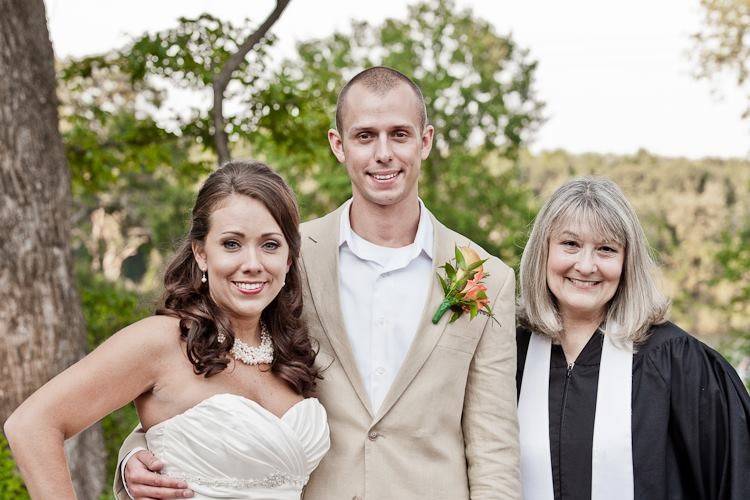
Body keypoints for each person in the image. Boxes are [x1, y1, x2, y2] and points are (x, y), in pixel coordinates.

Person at [117, 67, 521, 499]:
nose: (383, 153)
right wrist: (137, 453)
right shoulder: (282, 259)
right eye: (365, 136)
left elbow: (494, 449)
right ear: (338, 145)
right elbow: (209, 367)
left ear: (425, 141)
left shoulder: (487, 278)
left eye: (399, 134)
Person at [4, 161, 330, 499]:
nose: (252, 263)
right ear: (201, 253)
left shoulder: (294, 353)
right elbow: (31, 425)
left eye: (270, 245)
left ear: (289, 259)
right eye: (232, 244)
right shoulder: (162, 341)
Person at [515, 177, 750, 500]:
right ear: (543, 251)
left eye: (606, 249)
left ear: (628, 261)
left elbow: (734, 482)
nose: (586, 265)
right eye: (570, 244)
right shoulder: (509, 355)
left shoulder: (676, 362)